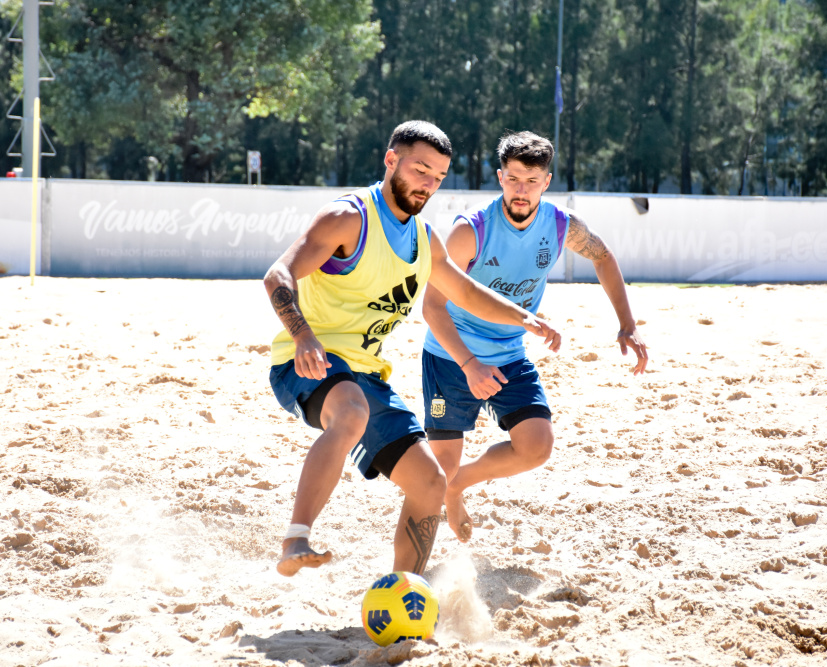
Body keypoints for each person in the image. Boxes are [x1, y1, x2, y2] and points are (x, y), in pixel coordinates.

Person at [264, 121, 561, 577]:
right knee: (350, 411)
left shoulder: (424, 239)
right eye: (420, 169)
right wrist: (302, 334)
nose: (428, 184)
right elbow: (278, 275)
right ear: (390, 160)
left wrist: (522, 316)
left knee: (430, 483)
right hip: (307, 360)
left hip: (366, 376)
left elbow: (464, 292)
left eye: (438, 177)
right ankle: (296, 537)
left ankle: (410, 587)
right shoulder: (349, 217)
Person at [420, 130, 649, 542]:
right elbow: (432, 307)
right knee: (439, 472)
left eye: (531, 180)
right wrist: (469, 365)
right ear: (499, 177)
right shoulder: (469, 231)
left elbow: (603, 256)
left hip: (508, 350)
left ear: (546, 182)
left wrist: (627, 324)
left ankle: (460, 484)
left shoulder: (561, 226)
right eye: (513, 178)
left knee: (536, 446)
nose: (521, 190)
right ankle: (447, 490)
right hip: (451, 357)